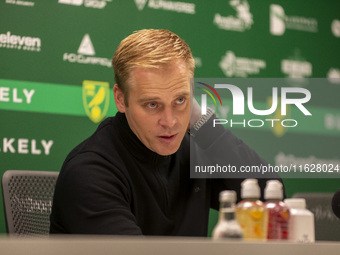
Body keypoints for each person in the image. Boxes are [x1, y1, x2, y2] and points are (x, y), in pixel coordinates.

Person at [50, 29, 283, 235]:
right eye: (153, 104)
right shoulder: (90, 172)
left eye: (180, 100)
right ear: (121, 99)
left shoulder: (193, 152)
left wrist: (202, 123)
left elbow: (269, 194)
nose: (170, 122)